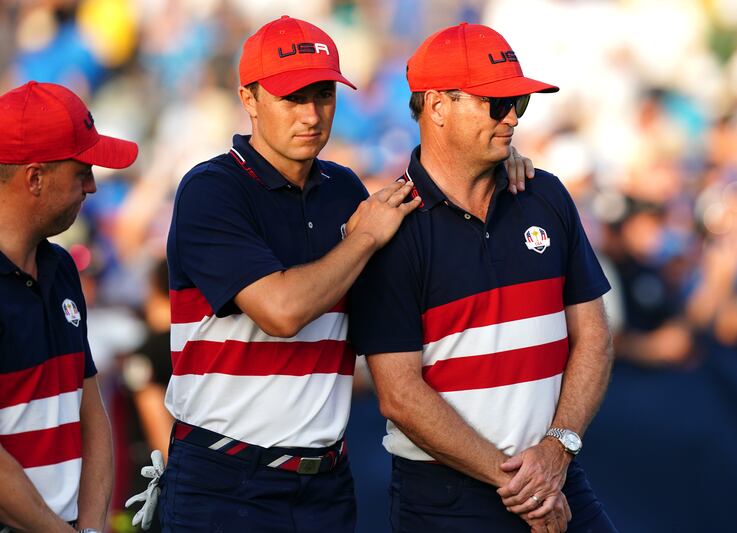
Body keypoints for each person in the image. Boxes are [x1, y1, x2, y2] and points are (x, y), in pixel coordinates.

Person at [151, 15, 535, 532]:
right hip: (223, 478)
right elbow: (280, 312)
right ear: (249, 99)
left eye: (323, 95)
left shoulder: (343, 187)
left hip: (324, 481)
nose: (311, 114)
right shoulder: (211, 188)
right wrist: (363, 238)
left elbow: (429, 220)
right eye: (293, 97)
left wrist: (495, 159)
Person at [349, 23, 618, 533]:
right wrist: (527, 485)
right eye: (496, 103)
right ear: (438, 106)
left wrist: (557, 451)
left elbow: (594, 335)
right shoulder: (390, 225)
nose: (513, 117)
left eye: (518, 101)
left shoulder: (546, 195)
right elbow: (400, 395)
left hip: (556, 475)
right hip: (449, 497)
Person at [0, 81, 137, 532]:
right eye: (82, 171)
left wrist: (93, 526)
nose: (93, 186)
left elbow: (89, 408)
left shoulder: (59, 266)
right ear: (34, 177)